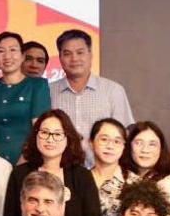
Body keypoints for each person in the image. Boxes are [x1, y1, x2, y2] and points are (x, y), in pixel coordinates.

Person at [2, 110, 102, 216]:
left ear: (68, 139)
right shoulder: (19, 174)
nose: (50, 139)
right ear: (36, 136)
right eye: (44, 132)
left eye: (57, 134)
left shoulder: (81, 176)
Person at [49, 29, 134, 164]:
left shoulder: (113, 90)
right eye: (67, 54)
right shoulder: (48, 91)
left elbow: (123, 134)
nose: (74, 59)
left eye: (80, 52)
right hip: (60, 169)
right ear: (60, 58)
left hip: (102, 169)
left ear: (90, 54)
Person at [0, 32, 50, 164]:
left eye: (13, 50)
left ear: (22, 56)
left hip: (29, 162)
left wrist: (20, 167)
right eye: (1, 51)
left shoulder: (38, 85)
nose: (7, 56)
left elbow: (40, 129)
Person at [122, 121, 170, 216]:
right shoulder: (119, 179)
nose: (145, 150)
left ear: (161, 149)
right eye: (138, 143)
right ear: (129, 146)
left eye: (152, 144)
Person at [88, 118, 138, 216]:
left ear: (123, 146)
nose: (110, 146)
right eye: (104, 139)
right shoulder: (80, 179)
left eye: (117, 141)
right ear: (91, 143)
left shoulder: (135, 184)